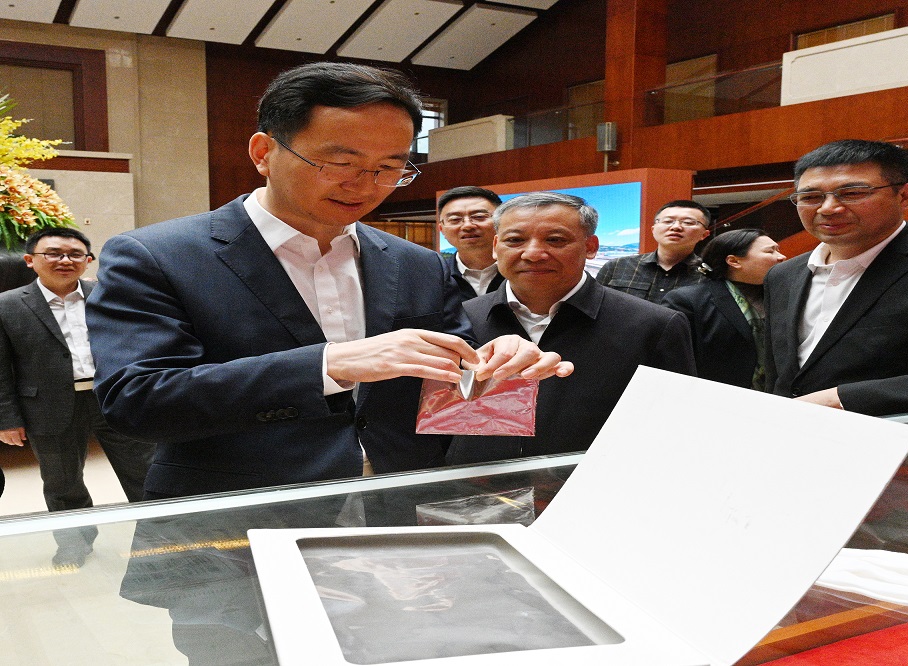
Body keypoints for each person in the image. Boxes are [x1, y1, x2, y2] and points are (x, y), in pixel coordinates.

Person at [86, 62, 570, 500]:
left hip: (401, 500)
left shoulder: (417, 263)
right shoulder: (158, 255)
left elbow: (453, 382)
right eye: (341, 164)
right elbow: (137, 402)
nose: (365, 186)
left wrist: (497, 366)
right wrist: (330, 364)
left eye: (389, 169)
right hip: (239, 513)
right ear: (263, 152)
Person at [447, 192, 695, 464]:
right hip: (474, 481)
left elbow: (674, 425)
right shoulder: (460, 318)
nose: (533, 254)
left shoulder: (654, 325)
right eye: (515, 240)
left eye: (555, 240)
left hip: (598, 481)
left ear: (590, 246)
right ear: (496, 246)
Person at [765, 139, 908, 416]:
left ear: (905, 195)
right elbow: (781, 375)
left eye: (852, 193)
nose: (828, 208)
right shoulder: (783, 274)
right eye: (810, 197)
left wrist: (839, 398)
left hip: (906, 439)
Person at [0, 228, 155, 565]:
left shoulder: (109, 295)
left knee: (144, 471)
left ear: (88, 260)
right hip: (46, 405)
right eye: (53, 253)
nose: (65, 260)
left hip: (114, 397)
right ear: (30, 260)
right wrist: (7, 419)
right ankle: (74, 543)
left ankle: (162, 537)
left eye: (75, 254)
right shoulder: (7, 305)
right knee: (62, 482)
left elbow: (137, 344)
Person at [664, 229, 785, 389]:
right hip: (711, 395)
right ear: (734, 261)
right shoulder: (688, 301)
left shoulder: (785, 296)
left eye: (778, 250)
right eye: (770, 251)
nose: (782, 257)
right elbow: (672, 360)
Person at [595, 199, 710, 303]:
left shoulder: (711, 275)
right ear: (653, 230)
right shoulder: (617, 266)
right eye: (668, 221)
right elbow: (593, 306)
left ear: (704, 235)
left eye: (688, 222)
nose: (676, 227)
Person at [437, 186, 505, 300]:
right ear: (442, 229)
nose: (467, 226)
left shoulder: (523, 270)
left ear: (502, 222)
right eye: (455, 219)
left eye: (479, 217)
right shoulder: (434, 276)